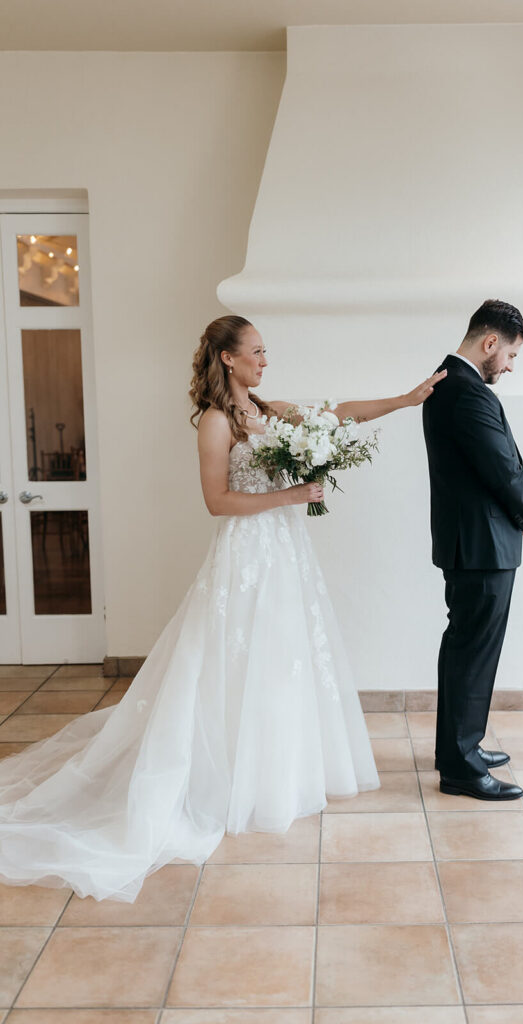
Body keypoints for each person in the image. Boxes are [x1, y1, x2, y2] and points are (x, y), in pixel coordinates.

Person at [0, 313, 445, 903]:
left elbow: (337, 413)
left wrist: (407, 399)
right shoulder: (215, 422)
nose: (266, 360)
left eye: (266, 351)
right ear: (229, 358)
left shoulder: (270, 409)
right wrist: (290, 495)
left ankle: (278, 776)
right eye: (257, 352)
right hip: (245, 556)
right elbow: (217, 501)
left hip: (287, 555)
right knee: (235, 664)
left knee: (283, 658)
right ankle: (230, 781)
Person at [422, 299, 523, 801]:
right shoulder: (465, 392)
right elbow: (500, 466)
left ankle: (458, 748)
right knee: (472, 652)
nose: (510, 366)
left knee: (466, 649)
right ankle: (462, 767)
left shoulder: (449, 382)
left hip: (473, 542)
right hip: (481, 544)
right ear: (490, 343)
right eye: (510, 355)